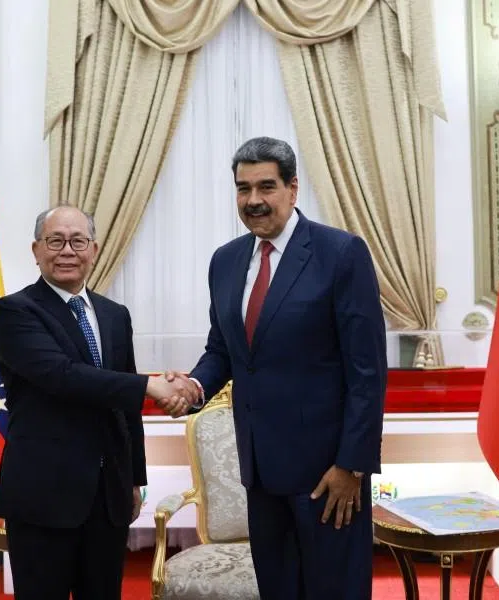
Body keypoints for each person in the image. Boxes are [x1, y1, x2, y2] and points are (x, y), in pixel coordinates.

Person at [164, 137, 387, 599]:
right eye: (243, 189)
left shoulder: (341, 253)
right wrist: (193, 386)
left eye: (266, 186)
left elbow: (367, 371)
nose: (254, 201)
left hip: (328, 476)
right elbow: (223, 350)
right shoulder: (225, 261)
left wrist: (353, 465)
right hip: (260, 471)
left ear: (293, 188)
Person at [0, 206, 195, 600]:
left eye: (78, 241)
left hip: (108, 499)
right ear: (36, 250)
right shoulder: (14, 311)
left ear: (94, 249)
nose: (67, 250)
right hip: (43, 497)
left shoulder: (115, 315)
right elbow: (61, 376)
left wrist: (135, 480)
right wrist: (150, 386)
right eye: (55, 241)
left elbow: (124, 409)